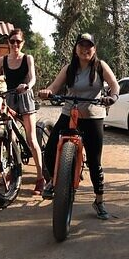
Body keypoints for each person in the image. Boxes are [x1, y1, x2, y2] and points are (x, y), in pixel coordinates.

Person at [37, 33, 120, 220]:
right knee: (50, 151)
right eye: (81, 45)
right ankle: (53, 181)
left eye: (89, 45)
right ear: (76, 49)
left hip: (93, 116)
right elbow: (55, 86)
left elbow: (115, 85)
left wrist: (112, 97)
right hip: (69, 114)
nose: (85, 49)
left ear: (94, 49)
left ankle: (99, 201)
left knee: (94, 161)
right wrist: (47, 92)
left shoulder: (100, 66)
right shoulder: (69, 68)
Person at [0, 29, 44, 195]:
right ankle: (13, 172)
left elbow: (32, 78)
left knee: (31, 139)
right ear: (8, 43)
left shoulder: (27, 58)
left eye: (18, 41)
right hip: (9, 98)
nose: (15, 44)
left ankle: (40, 178)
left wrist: (27, 86)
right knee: (10, 138)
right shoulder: (3, 60)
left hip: (25, 97)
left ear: (22, 43)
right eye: (12, 41)